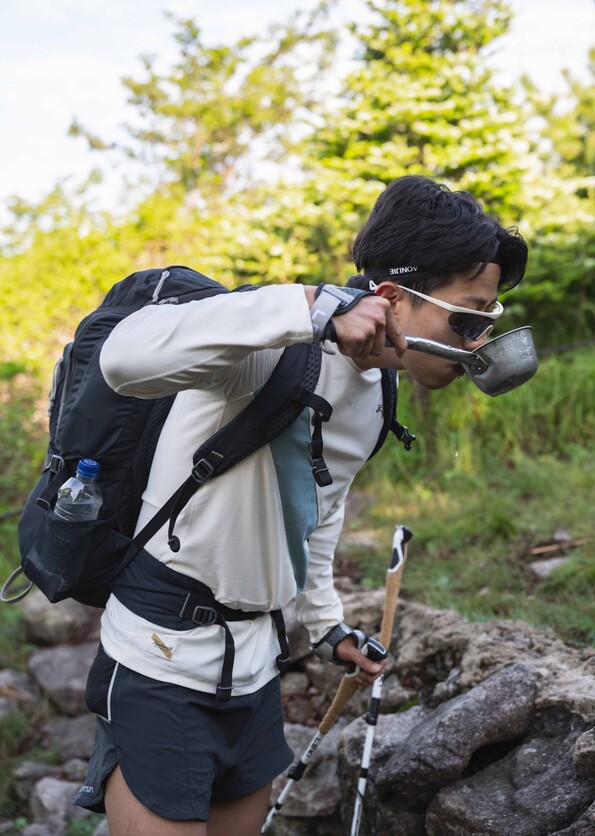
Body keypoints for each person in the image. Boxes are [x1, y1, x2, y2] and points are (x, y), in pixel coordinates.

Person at [72, 175, 528, 835]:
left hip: (255, 666)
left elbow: (317, 510)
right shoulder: (272, 350)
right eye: (467, 318)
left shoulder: (378, 388)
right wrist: (310, 306)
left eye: (489, 322)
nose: (478, 342)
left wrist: (326, 626)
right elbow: (123, 360)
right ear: (394, 299)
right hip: (159, 658)